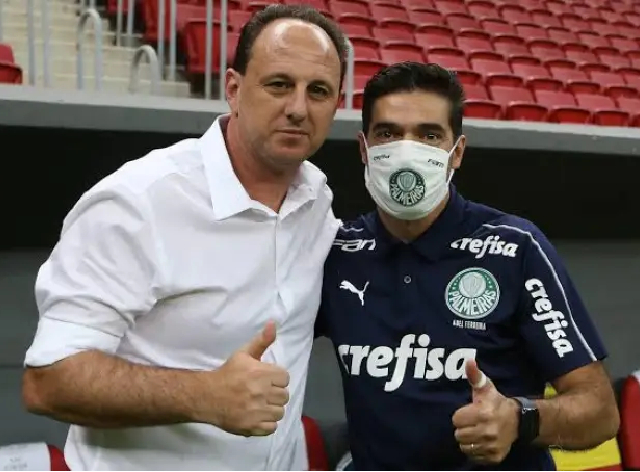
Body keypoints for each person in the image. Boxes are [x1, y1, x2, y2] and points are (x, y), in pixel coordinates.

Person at [21, 5, 347, 470]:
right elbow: (49, 381)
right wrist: (205, 395)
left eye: (318, 91)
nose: (298, 107)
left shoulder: (316, 201)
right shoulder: (137, 202)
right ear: (233, 89)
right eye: (279, 84)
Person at [316, 61, 620, 470]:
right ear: (364, 148)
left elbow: (600, 411)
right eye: (388, 133)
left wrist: (519, 419)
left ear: (456, 152)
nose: (407, 150)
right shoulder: (335, 252)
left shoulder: (515, 248)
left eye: (428, 135)